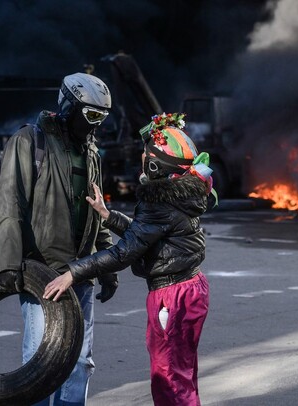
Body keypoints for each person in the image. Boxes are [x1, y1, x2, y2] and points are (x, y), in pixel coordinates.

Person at [44, 112, 215, 406]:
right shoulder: (183, 195)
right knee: (183, 371)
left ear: (154, 164)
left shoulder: (158, 203)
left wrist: (74, 272)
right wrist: (108, 216)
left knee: (168, 376)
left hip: (171, 297)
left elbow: (124, 253)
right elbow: (145, 234)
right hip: (192, 288)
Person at [0, 72, 119, 406]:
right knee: (40, 362)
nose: (95, 125)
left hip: (82, 273)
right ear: (69, 107)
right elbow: (10, 203)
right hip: (43, 274)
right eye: (91, 115)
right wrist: (7, 264)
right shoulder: (29, 141)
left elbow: (97, 210)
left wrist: (106, 265)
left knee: (80, 362)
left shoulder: (91, 152)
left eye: (102, 118)